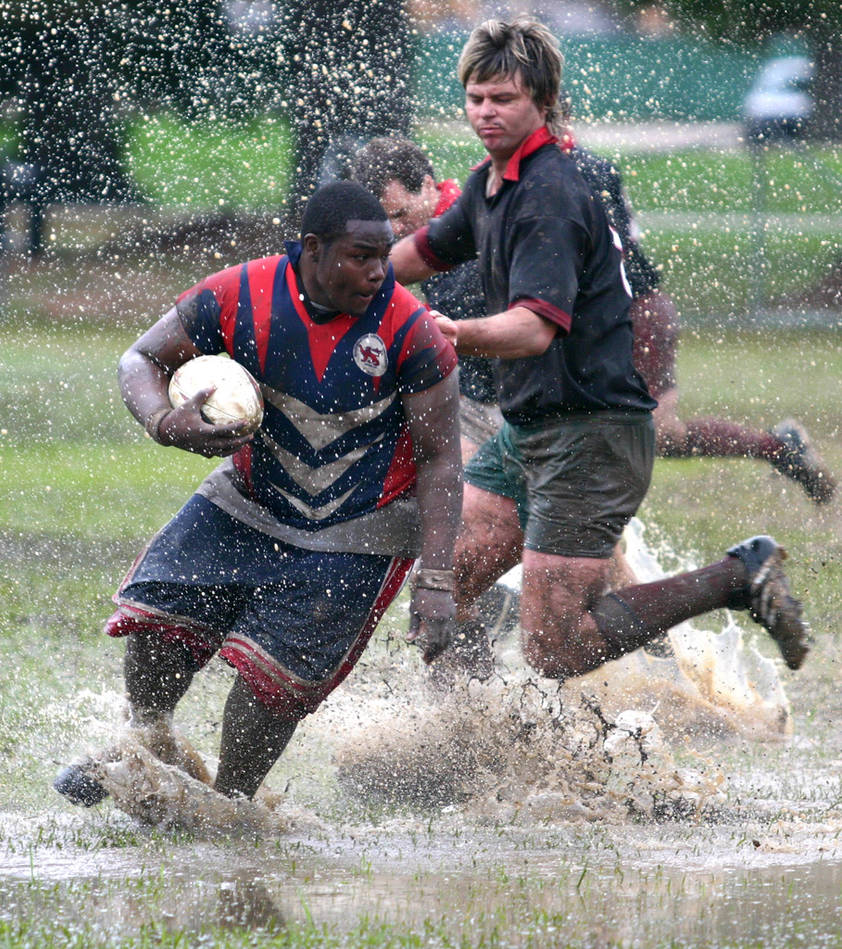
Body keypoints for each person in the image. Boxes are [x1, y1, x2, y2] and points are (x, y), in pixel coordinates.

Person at [386, 15, 811, 685]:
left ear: (543, 100)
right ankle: (467, 741)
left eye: (504, 98)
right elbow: (419, 253)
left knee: (554, 648)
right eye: (476, 97)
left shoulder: (550, 193)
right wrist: (332, 283)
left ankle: (738, 575)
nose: (486, 112)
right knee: (443, 585)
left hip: (593, 437)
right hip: (529, 431)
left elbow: (534, 327)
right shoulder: (489, 183)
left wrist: (455, 332)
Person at [53, 181, 462, 806]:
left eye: (384, 254)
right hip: (247, 498)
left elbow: (440, 463)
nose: (379, 271)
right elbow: (139, 359)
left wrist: (436, 581)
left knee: (271, 681)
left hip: (361, 529)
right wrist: (165, 422)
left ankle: (232, 805)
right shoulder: (237, 294)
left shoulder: (410, 328)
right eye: (359, 255)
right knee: (161, 613)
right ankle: (146, 742)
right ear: (313, 249)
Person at [351, 135, 836, 505]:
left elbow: (498, 318)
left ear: (430, 185)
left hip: (634, 313)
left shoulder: (502, 200)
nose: (393, 229)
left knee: (656, 436)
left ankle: (776, 447)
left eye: (398, 213)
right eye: (383, 220)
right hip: (584, 336)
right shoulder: (469, 208)